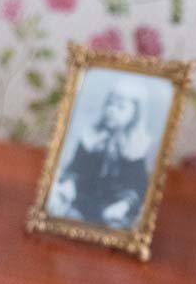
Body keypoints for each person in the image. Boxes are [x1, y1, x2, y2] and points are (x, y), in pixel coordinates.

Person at [50, 79, 150, 229]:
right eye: (109, 104)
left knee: (117, 226)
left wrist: (123, 205)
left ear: (133, 116)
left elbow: (137, 184)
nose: (111, 110)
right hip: (83, 199)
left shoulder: (136, 146)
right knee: (59, 207)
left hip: (114, 205)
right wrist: (70, 182)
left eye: (120, 107)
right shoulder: (91, 136)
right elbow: (76, 167)